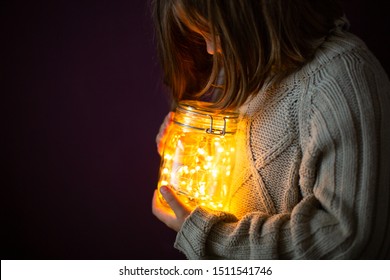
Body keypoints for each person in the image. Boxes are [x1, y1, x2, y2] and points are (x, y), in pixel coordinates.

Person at [151, 0, 390, 259]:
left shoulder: (342, 77)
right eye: (202, 35)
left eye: (215, 32)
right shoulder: (248, 71)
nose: (210, 49)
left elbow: (347, 240)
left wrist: (210, 237)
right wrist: (188, 148)